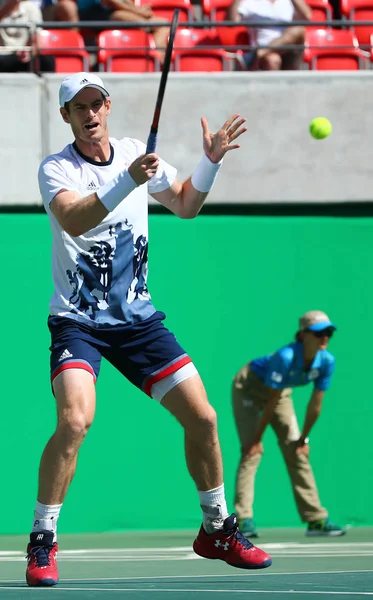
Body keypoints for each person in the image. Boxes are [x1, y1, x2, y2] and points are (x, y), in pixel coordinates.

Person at [25, 72, 272, 587]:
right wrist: (128, 180)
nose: (89, 114)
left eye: (96, 104)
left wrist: (210, 161)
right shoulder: (56, 169)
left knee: (203, 418)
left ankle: (217, 529)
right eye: (78, 108)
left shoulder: (135, 153)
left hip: (137, 321)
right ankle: (43, 540)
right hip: (79, 320)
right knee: (74, 421)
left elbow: (185, 205)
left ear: (107, 106)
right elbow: (74, 219)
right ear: (65, 116)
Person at [232, 310, 346, 538]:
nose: (325, 337)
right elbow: (270, 402)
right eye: (319, 332)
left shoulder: (326, 361)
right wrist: (256, 439)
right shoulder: (284, 357)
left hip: (280, 393)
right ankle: (243, 519)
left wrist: (303, 438)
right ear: (303, 335)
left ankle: (315, 520)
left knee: (298, 452)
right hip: (249, 389)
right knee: (251, 452)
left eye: (328, 332)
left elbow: (315, 405)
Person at [44, 0, 170, 50]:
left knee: (163, 24)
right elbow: (110, 1)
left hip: (109, 16)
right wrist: (139, 11)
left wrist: (138, 10)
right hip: (91, 17)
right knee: (121, 16)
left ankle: (158, 60)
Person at [228, 0, 312, 70]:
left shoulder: (289, 2)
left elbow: (307, 16)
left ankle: (256, 54)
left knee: (299, 30)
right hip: (266, 52)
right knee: (273, 60)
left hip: (290, 50)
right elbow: (232, 22)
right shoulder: (251, 2)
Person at [0, 0, 55, 72]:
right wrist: (6, 8)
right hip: (3, 55)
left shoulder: (31, 8)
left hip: (25, 52)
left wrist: (29, 52)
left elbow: (36, 41)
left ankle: (46, 82)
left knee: (48, 60)